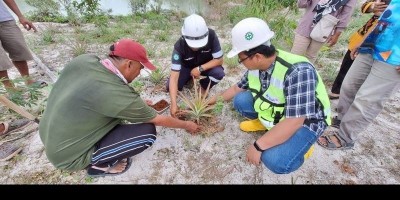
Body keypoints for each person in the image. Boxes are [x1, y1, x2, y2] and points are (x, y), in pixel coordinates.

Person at [39, 39, 198, 177]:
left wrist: (135, 103)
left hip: (49, 134)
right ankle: (98, 166)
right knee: (146, 134)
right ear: (129, 64)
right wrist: (187, 125)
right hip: (67, 157)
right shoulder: (114, 92)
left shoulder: (85, 60)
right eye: (140, 68)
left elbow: (95, 95)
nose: (139, 73)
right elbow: (157, 119)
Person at [209, 18, 332, 174]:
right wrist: (210, 101)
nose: (241, 62)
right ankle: (268, 124)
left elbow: (295, 120)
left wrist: (258, 146)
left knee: (275, 161)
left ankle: (302, 147)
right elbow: (236, 88)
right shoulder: (256, 66)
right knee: (240, 101)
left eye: (241, 59)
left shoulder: (298, 71)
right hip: (281, 111)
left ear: (257, 56)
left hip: (306, 121)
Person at [317, 0, 400, 150]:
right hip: (373, 45)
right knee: (349, 86)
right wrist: (363, 40)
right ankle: (342, 119)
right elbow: (384, 18)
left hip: (395, 58)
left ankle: (345, 137)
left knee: (367, 99)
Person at [329, 0, 390, 99]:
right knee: (347, 65)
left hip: (388, 47)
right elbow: (365, 6)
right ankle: (337, 92)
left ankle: (354, 100)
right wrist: (372, 7)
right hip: (363, 37)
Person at [166, 14, 224, 117]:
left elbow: (219, 60)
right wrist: (173, 104)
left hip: (206, 65)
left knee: (218, 73)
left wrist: (200, 68)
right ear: (184, 37)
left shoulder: (211, 35)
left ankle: (202, 87)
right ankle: (189, 79)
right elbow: (174, 78)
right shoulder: (179, 47)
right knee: (170, 86)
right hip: (186, 67)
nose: (196, 47)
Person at [291, 0, 357, 63]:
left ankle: (304, 74)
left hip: (325, 28)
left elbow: (346, 14)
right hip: (307, 24)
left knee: (310, 56)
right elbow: (302, 4)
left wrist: (337, 34)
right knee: (295, 54)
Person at [0, 0, 45, 90]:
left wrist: (20, 16)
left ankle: (28, 81)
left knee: (19, 49)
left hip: (5, 20)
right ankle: (10, 88)